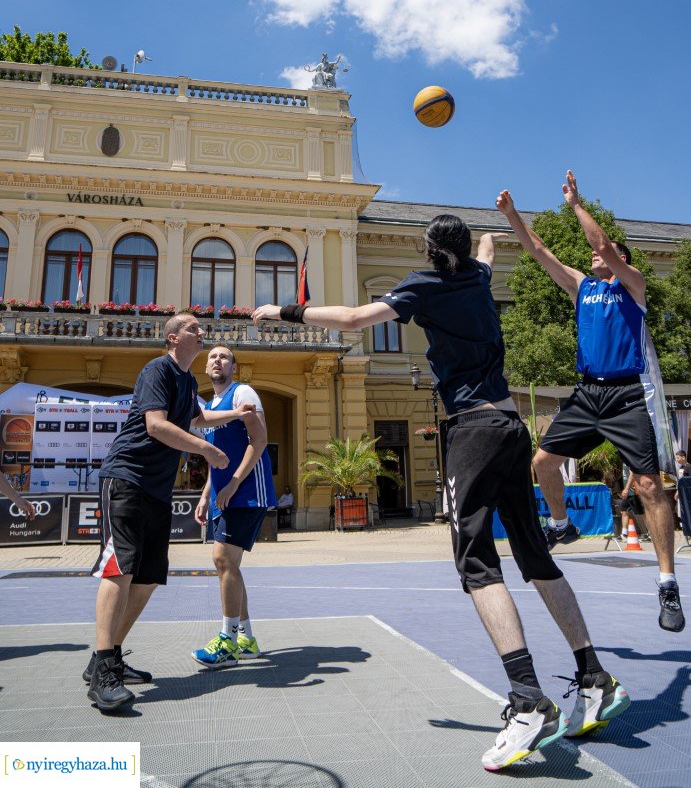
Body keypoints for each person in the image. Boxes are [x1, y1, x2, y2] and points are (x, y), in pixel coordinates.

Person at [254, 213, 630, 771]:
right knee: (534, 555)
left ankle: (527, 698)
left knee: (477, 565)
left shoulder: (424, 284)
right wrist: (490, 230)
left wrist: (283, 311)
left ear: (429, 250)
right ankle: (592, 675)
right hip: (509, 426)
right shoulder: (477, 279)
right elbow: (486, 251)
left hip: (473, 430)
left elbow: (357, 318)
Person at [497, 174, 685, 633]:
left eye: (605, 251)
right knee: (541, 464)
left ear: (621, 259)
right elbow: (540, 252)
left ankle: (666, 583)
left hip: (625, 394)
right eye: (595, 253)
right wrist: (513, 217)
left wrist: (576, 205)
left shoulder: (633, 287)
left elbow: (599, 238)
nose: (595, 253)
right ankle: (561, 524)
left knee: (647, 487)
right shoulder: (583, 286)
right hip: (587, 392)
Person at [86, 314, 239, 713]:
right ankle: (103, 672)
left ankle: (109, 655)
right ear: (173, 339)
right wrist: (205, 449)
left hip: (156, 488)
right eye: (193, 328)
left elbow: (197, 419)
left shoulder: (188, 382)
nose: (201, 332)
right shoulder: (158, 369)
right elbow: (155, 425)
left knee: (149, 577)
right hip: (127, 478)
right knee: (121, 568)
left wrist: (238, 415)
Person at [191, 344, 276, 669]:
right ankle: (247, 639)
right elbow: (217, 458)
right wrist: (205, 493)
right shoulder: (210, 405)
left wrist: (234, 483)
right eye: (212, 356)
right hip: (225, 493)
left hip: (247, 491)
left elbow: (259, 441)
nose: (217, 360)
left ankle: (227, 640)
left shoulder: (244, 394)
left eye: (224, 357)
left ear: (233, 366)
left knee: (222, 559)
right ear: (207, 366)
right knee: (230, 566)